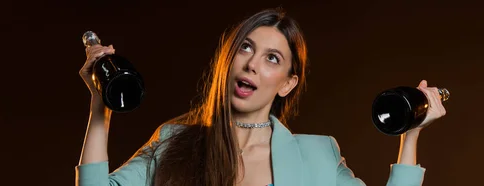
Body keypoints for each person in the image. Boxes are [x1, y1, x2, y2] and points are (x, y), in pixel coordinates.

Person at [75, 8, 446, 186]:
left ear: (287, 83)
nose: (251, 64)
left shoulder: (318, 155)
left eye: (272, 58)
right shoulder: (173, 142)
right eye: (245, 48)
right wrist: (99, 106)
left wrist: (410, 134)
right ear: (229, 60)